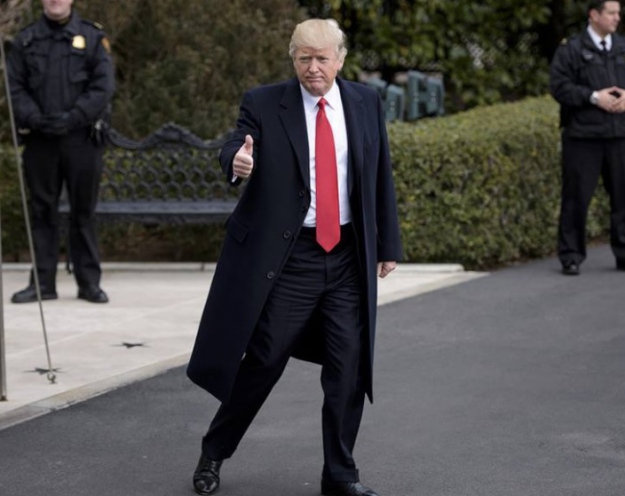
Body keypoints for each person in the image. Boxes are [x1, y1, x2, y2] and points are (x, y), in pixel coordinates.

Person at [186, 18, 402, 496]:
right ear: (293, 59)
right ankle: (214, 449)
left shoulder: (364, 101)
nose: (313, 68)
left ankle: (340, 475)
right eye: (304, 58)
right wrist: (236, 161)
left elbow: (379, 172)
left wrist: (388, 243)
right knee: (264, 359)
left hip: (346, 255)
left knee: (348, 368)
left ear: (340, 60)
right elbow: (236, 142)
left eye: (322, 58)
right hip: (292, 257)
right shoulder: (265, 102)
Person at [7, 0, 115, 303]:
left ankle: (89, 283)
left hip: (81, 139)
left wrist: (73, 117)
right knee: (42, 212)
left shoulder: (92, 37)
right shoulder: (25, 40)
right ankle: (42, 284)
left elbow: (103, 86)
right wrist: (35, 118)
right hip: (40, 140)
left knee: (84, 212)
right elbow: (14, 87)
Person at [550, 0, 625, 276]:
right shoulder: (571, 50)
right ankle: (571, 256)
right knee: (576, 199)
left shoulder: (622, 47)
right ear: (594, 15)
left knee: (623, 197)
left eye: (618, 13)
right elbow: (559, 87)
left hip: (620, 135)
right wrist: (593, 97)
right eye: (611, 13)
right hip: (583, 137)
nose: (617, 18)